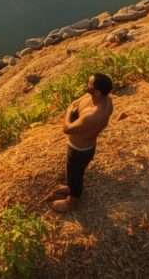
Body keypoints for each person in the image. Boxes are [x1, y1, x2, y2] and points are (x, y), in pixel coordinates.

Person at [47, 73, 113, 213]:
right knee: (74, 173)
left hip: (79, 150)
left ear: (98, 92)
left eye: (90, 85)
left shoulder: (93, 115)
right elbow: (79, 101)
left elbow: (67, 129)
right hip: (83, 147)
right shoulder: (103, 98)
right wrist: (75, 105)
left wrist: (68, 111)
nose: (86, 86)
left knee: (75, 175)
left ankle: (72, 201)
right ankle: (71, 187)